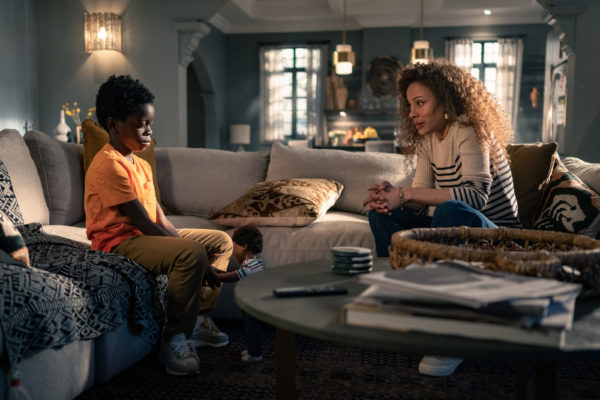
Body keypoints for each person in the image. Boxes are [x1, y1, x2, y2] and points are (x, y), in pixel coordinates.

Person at [362, 60, 521, 377]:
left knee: (450, 211)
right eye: (410, 105)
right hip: (457, 231)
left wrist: (407, 196)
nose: (412, 113)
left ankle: (450, 332)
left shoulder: (471, 130)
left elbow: (475, 196)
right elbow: (420, 197)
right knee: (380, 215)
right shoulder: (427, 140)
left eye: (420, 103)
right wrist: (393, 197)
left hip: (500, 238)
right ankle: (401, 303)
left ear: (446, 103)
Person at [85, 74, 233, 376]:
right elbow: (139, 220)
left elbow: (158, 218)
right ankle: (173, 338)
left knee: (218, 242)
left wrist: (192, 248)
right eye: (141, 124)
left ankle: (197, 319)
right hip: (119, 244)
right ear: (113, 124)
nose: (150, 131)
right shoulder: (108, 164)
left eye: (150, 123)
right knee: (191, 253)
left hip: (143, 236)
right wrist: (192, 253)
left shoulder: (140, 164)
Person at [214, 226, 265, 363]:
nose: (233, 252)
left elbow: (235, 276)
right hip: (249, 304)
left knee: (251, 329)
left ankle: (255, 354)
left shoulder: (252, 265)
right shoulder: (252, 264)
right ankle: (252, 350)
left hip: (252, 305)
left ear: (244, 246)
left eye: (234, 247)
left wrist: (218, 277)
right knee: (249, 329)